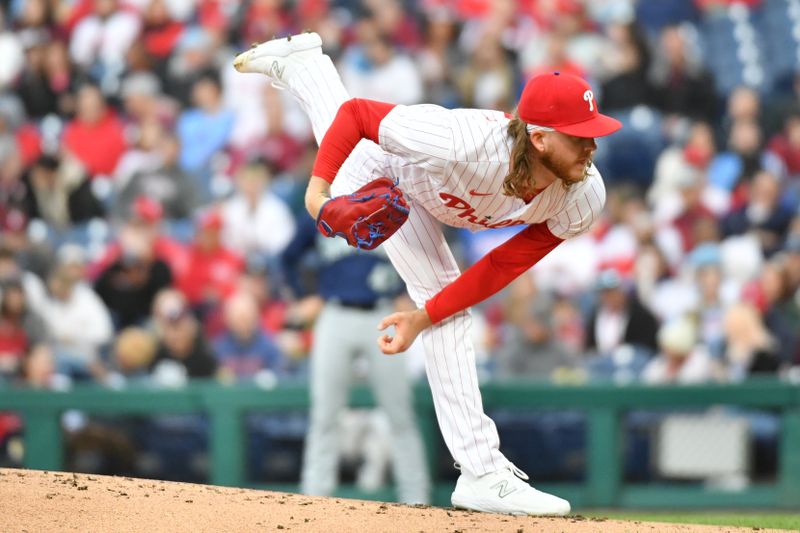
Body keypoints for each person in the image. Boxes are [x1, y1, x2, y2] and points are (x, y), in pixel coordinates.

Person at [234, 31, 622, 516]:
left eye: (593, 132)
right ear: (539, 138)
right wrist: (318, 198)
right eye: (580, 135)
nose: (592, 145)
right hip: (389, 169)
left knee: (446, 309)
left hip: (428, 199)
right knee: (352, 149)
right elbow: (356, 116)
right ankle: (481, 472)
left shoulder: (582, 195)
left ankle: (305, 64)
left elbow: (503, 265)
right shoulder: (461, 141)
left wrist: (423, 316)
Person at [299, 232, 430, 504]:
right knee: (325, 413)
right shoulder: (326, 203)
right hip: (335, 312)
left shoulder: (391, 201)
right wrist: (305, 293)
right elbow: (289, 254)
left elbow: (422, 250)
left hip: (382, 312)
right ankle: (314, 497)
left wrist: (405, 291)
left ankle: (417, 499)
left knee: (399, 413)